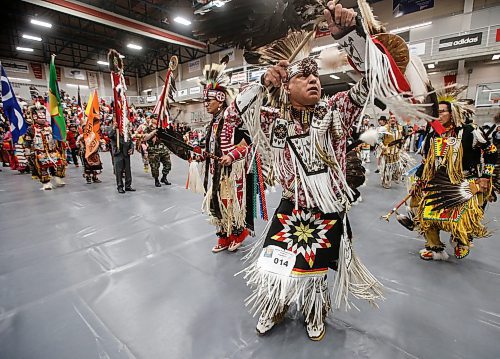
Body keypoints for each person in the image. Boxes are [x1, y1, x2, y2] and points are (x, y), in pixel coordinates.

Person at [235, 1, 403, 341]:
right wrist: (263, 82)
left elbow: (374, 78)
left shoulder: (338, 108)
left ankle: (315, 312)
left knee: (315, 269)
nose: (314, 81)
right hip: (291, 204)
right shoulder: (273, 117)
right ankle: (276, 304)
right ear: (287, 86)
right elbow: (238, 111)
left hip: (326, 208)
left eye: (316, 76)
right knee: (276, 264)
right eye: (304, 77)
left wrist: (350, 38)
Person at [409, 90, 497, 260]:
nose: (438, 115)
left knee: (462, 218)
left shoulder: (470, 131)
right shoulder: (434, 134)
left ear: (453, 112)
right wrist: (419, 181)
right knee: (427, 215)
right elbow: (426, 161)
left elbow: (491, 152)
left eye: (442, 112)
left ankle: (461, 241)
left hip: (464, 182)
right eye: (437, 112)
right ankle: (435, 248)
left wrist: (486, 176)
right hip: (438, 182)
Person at [198, 60, 254, 253]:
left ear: (220, 99)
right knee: (216, 203)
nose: (206, 104)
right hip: (215, 171)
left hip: (232, 172)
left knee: (231, 204)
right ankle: (223, 236)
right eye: (205, 100)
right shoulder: (212, 122)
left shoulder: (231, 118)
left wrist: (231, 155)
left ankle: (239, 234)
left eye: (209, 100)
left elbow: (248, 142)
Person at [26, 103, 66, 190]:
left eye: (44, 117)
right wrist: (28, 152)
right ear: (34, 117)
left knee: (59, 164)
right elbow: (28, 141)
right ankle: (46, 183)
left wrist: (60, 145)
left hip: (52, 151)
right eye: (40, 117)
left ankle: (57, 177)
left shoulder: (50, 127)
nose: (43, 119)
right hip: (40, 152)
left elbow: (57, 137)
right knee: (42, 168)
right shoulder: (31, 129)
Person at [377, 113, 411, 188]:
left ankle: (395, 177)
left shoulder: (400, 128)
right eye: (391, 118)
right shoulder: (384, 128)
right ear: (389, 120)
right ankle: (386, 182)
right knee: (387, 168)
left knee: (397, 166)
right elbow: (378, 139)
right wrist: (383, 147)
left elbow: (404, 137)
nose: (392, 119)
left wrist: (404, 145)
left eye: (394, 118)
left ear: (396, 120)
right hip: (387, 151)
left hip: (397, 150)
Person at [138, 116, 171, 187]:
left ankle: (164, 177)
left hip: (163, 149)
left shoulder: (162, 127)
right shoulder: (148, 128)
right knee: (155, 167)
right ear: (152, 119)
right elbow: (145, 137)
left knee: (168, 164)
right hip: (154, 150)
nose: (157, 120)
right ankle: (156, 180)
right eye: (156, 119)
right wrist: (154, 132)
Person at [109, 121, 135, 194]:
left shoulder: (127, 133)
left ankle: (128, 186)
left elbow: (131, 142)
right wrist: (114, 128)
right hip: (118, 153)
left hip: (126, 153)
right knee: (119, 171)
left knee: (128, 170)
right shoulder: (114, 131)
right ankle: (120, 186)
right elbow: (110, 136)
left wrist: (132, 148)